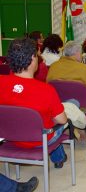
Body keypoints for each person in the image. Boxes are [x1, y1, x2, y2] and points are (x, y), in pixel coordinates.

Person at [0, 38, 68, 168]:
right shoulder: (46, 90)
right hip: (38, 141)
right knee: (60, 122)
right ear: (32, 58)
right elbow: (62, 121)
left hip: (7, 138)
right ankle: (59, 158)